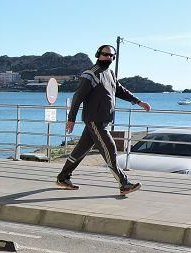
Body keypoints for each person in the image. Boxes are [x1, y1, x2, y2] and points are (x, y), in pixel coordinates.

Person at [56, 44, 151, 194]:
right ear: (98, 54)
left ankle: (63, 178)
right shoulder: (91, 74)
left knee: (80, 151)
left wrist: (138, 102)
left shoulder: (110, 74)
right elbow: (77, 97)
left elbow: (120, 90)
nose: (108, 57)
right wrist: (71, 118)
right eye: (105, 54)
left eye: (111, 55)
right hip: (95, 120)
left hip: (103, 120)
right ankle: (124, 183)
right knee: (110, 149)